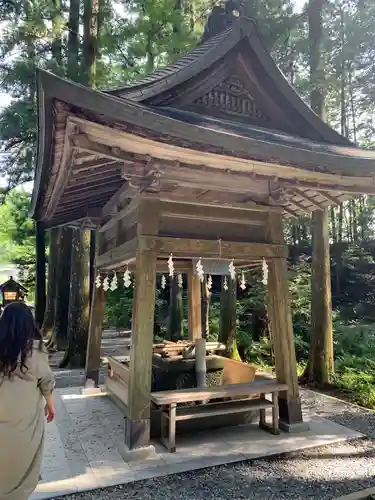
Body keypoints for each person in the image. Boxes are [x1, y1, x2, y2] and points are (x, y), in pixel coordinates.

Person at [0, 302, 55, 500]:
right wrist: (50, 404)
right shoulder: (35, 350)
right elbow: (46, 380)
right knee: (24, 453)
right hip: (25, 413)